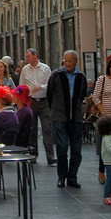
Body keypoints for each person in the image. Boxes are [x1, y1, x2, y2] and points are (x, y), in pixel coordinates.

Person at [47, 50, 87, 188]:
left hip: (75, 118)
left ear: (76, 62)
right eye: (66, 60)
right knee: (62, 146)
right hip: (59, 116)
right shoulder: (56, 75)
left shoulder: (81, 76)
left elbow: (81, 95)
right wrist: (56, 109)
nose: (68, 63)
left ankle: (72, 177)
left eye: (71, 61)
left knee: (76, 149)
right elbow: (50, 94)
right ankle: (61, 176)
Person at [20, 48, 56, 164]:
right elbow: (21, 85)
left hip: (44, 102)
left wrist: (40, 87)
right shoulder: (25, 70)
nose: (27, 58)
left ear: (35, 56)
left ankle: (50, 156)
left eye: (29, 56)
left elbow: (50, 84)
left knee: (47, 129)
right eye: (26, 56)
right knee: (32, 129)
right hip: (31, 101)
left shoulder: (45, 68)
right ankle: (33, 154)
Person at [91, 57, 111, 184]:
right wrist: (103, 113)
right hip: (106, 118)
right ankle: (101, 171)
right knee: (105, 145)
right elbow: (96, 97)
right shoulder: (102, 79)